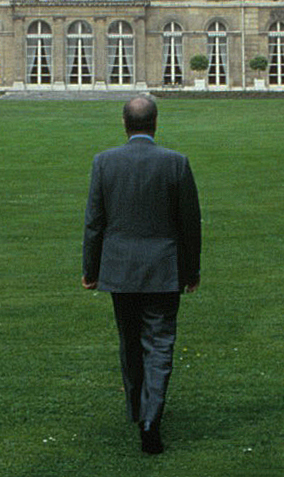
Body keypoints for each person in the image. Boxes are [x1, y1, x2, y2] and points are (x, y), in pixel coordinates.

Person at [81, 94, 202, 455]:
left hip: (120, 269)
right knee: (160, 344)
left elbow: (94, 224)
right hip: (164, 270)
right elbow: (190, 225)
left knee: (130, 340)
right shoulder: (176, 163)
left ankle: (137, 409)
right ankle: (151, 418)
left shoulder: (104, 162)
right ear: (155, 123)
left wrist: (91, 271)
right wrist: (191, 271)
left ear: (124, 124)